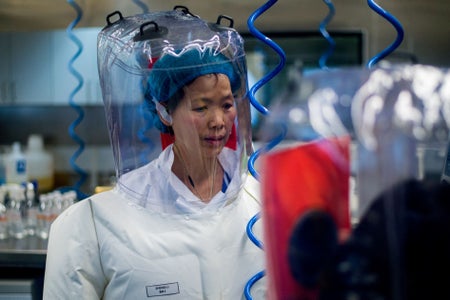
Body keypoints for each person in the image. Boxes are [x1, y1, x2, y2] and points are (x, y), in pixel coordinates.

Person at [43, 8, 265, 300]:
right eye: (201, 107)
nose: (219, 121)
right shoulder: (95, 223)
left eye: (226, 105)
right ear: (164, 111)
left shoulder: (260, 202)